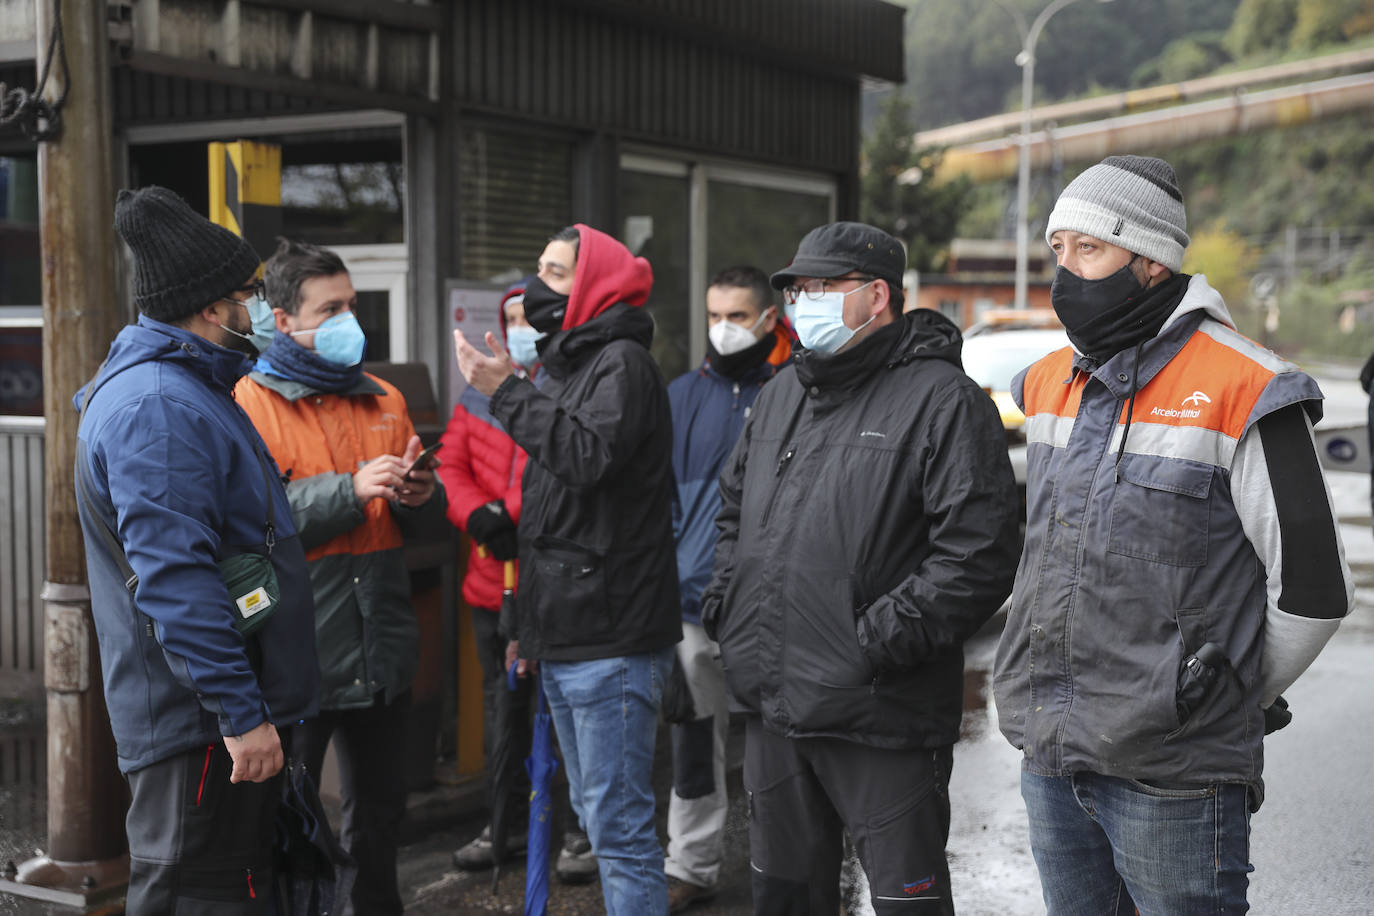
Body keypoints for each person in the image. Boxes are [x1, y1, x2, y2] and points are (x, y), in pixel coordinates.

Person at [993, 155, 1353, 915]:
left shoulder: (1249, 386)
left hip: (1175, 777)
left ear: (1151, 260)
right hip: (1051, 757)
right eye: (1058, 251)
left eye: (1087, 250)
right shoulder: (1050, 379)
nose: (1066, 273)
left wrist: (1220, 698)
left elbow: (1316, 592)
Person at [701, 221, 1020, 915]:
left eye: (822, 287)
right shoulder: (784, 394)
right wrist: (731, 605)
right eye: (798, 289)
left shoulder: (943, 402)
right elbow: (734, 515)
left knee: (906, 903)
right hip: (776, 709)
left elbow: (979, 553)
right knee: (784, 900)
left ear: (877, 297)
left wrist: (870, 642)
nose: (803, 301)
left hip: (881, 712)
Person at [75, 186, 319, 912]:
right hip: (202, 729)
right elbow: (177, 582)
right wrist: (241, 715)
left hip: (209, 719)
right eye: (252, 295)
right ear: (214, 308)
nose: (263, 311)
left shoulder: (187, 389)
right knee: (197, 892)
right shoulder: (159, 407)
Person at [453, 224, 682, 915]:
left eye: (555, 274)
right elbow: (549, 520)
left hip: (611, 637)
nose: (535, 286)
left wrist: (506, 393)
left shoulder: (622, 365)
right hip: (569, 632)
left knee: (618, 831)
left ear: (591, 286)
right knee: (594, 810)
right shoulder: (568, 367)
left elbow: (587, 459)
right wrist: (527, 627)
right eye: (540, 270)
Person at [234, 238, 446, 916]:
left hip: (380, 643)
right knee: (289, 822)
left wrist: (419, 496)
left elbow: (423, 517)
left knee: (381, 819)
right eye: (332, 308)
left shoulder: (383, 397)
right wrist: (350, 490)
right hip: (299, 649)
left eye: (352, 304)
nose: (350, 319)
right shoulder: (247, 403)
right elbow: (251, 524)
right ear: (284, 319)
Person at [439, 280, 597, 884]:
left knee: (561, 710)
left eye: (531, 317)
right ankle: (499, 825)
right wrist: (477, 515)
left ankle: (575, 832)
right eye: (512, 318)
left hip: (553, 583)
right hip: (490, 580)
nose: (523, 328)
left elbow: (564, 467)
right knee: (502, 709)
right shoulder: (474, 396)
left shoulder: (564, 390)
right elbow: (451, 464)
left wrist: (508, 510)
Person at [664, 266, 791, 913]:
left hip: (774, 607)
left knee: (787, 744)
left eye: (737, 316)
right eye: (715, 314)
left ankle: (792, 869)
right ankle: (691, 865)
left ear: (769, 320)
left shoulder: (796, 392)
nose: (723, 328)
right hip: (690, 606)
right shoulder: (679, 395)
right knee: (694, 745)